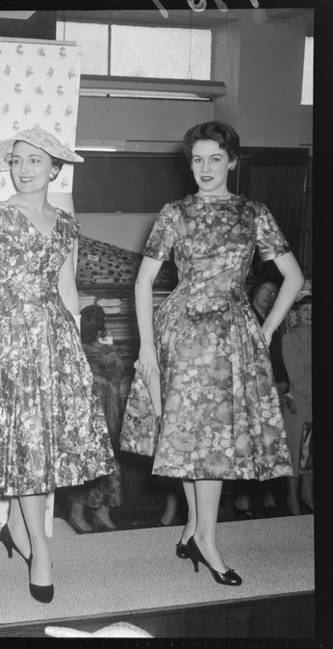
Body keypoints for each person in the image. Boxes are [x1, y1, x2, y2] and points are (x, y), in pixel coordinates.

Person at [121, 120, 304, 586]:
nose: (204, 168)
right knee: (189, 434)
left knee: (211, 439)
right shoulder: (175, 212)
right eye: (197, 159)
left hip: (230, 335)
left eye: (215, 159)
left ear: (233, 161)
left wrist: (264, 330)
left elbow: (294, 278)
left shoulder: (252, 212)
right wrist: (145, 347)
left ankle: (196, 532)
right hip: (182, 332)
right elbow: (143, 282)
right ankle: (205, 539)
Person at [0, 128, 116, 603]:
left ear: (54, 169)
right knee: (26, 447)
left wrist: (77, 352)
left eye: (34, 161)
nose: (23, 168)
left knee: (44, 447)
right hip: (10, 341)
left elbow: (67, 289)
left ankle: (14, 528)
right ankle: (41, 550)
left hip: (56, 340)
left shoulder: (65, 223)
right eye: (18, 160)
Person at [60, 304, 124, 533]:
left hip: (95, 413)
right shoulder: (101, 351)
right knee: (99, 462)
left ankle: (96, 512)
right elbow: (117, 370)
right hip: (99, 413)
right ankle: (87, 513)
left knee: (95, 462)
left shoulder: (77, 346)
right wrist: (111, 350)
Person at [232, 277, 290, 519]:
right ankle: (242, 499)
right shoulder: (246, 316)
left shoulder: (276, 320)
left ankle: (268, 495)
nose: (268, 295)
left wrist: (284, 383)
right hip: (251, 386)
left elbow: (279, 357)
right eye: (264, 290)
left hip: (274, 384)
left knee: (270, 442)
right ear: (254, 292)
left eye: (274, 292)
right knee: (249, 444)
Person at [281, 295, 313, 515]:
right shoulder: (290, 339)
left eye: (314, 309)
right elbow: (296, 376)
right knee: (295, 452)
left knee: (311, 453)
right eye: (305, 310)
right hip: (300, 403)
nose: (310, 314)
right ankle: (292, 497)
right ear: (297, 313)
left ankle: (307, 494)